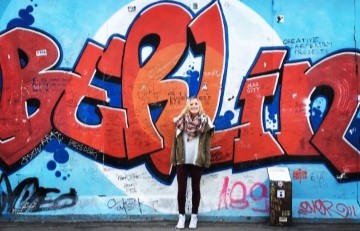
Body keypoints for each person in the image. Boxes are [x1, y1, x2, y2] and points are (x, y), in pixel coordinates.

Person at [170, 96, 214, 229]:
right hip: (182, 160)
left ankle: (194, 216)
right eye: (191, 104)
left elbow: (207, 143)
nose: (194, 106)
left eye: (196, 104)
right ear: (188, 106)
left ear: (199, 106)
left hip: (197, 160)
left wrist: (206, 159)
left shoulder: (205, 121)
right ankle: (181, 217)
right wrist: (174, 159)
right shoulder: (180, 121)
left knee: (196, 188)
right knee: (181, 189)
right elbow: (175, 142)